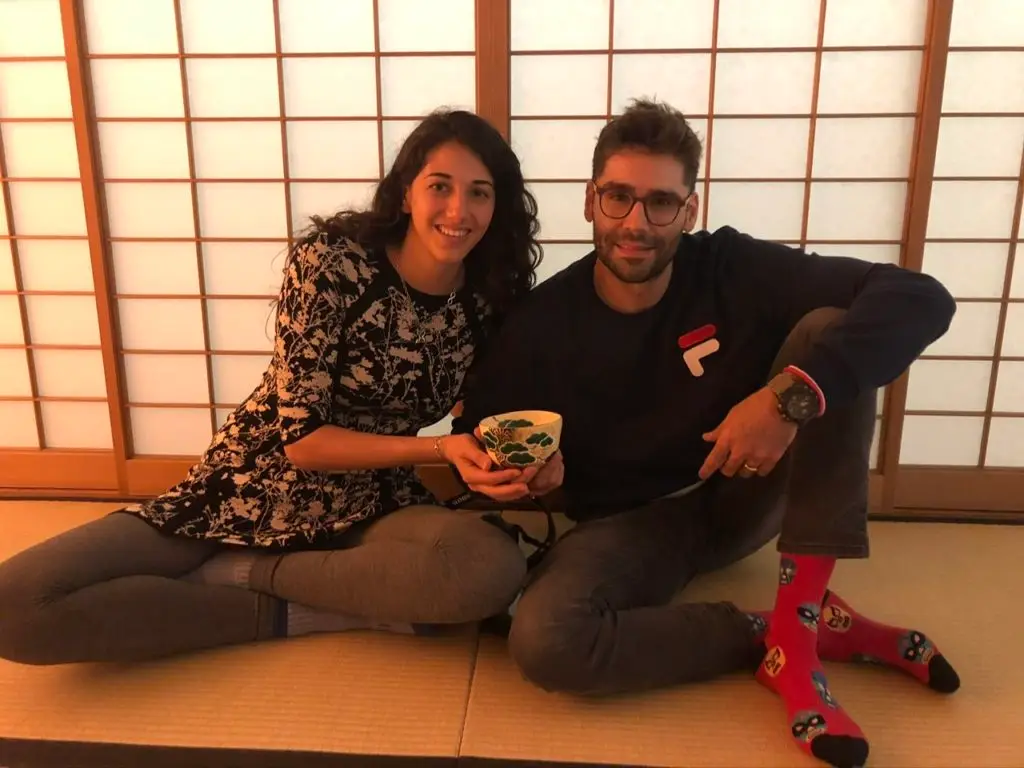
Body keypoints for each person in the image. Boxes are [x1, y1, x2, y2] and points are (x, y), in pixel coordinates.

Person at [448, 98, 960, 768]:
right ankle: (775, 631)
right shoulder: (543, 323)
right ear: (589, 202)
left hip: (745, 488)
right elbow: (483, 433)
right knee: (546, 641)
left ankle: (798, 644)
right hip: (631, 527)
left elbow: (922, 298)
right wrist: (535, 478)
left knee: (828, 333)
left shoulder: (730, 267)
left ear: (689, 211)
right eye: (618, 198)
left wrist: (784, 401)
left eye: (661, 203)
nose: (637, 223)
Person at [0, 108, 546, 665]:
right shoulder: (333, 263)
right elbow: (303, 440)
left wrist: (510, 463)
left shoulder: (485, 300)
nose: (459, 210)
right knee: (17, 605)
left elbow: (477, 418)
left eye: (480, 192)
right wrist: (436, 449)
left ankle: (251, 578)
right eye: (440, 186)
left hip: (377, 502)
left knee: (488, 568)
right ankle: (290, 597)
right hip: (251, 487)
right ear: (406, 193)